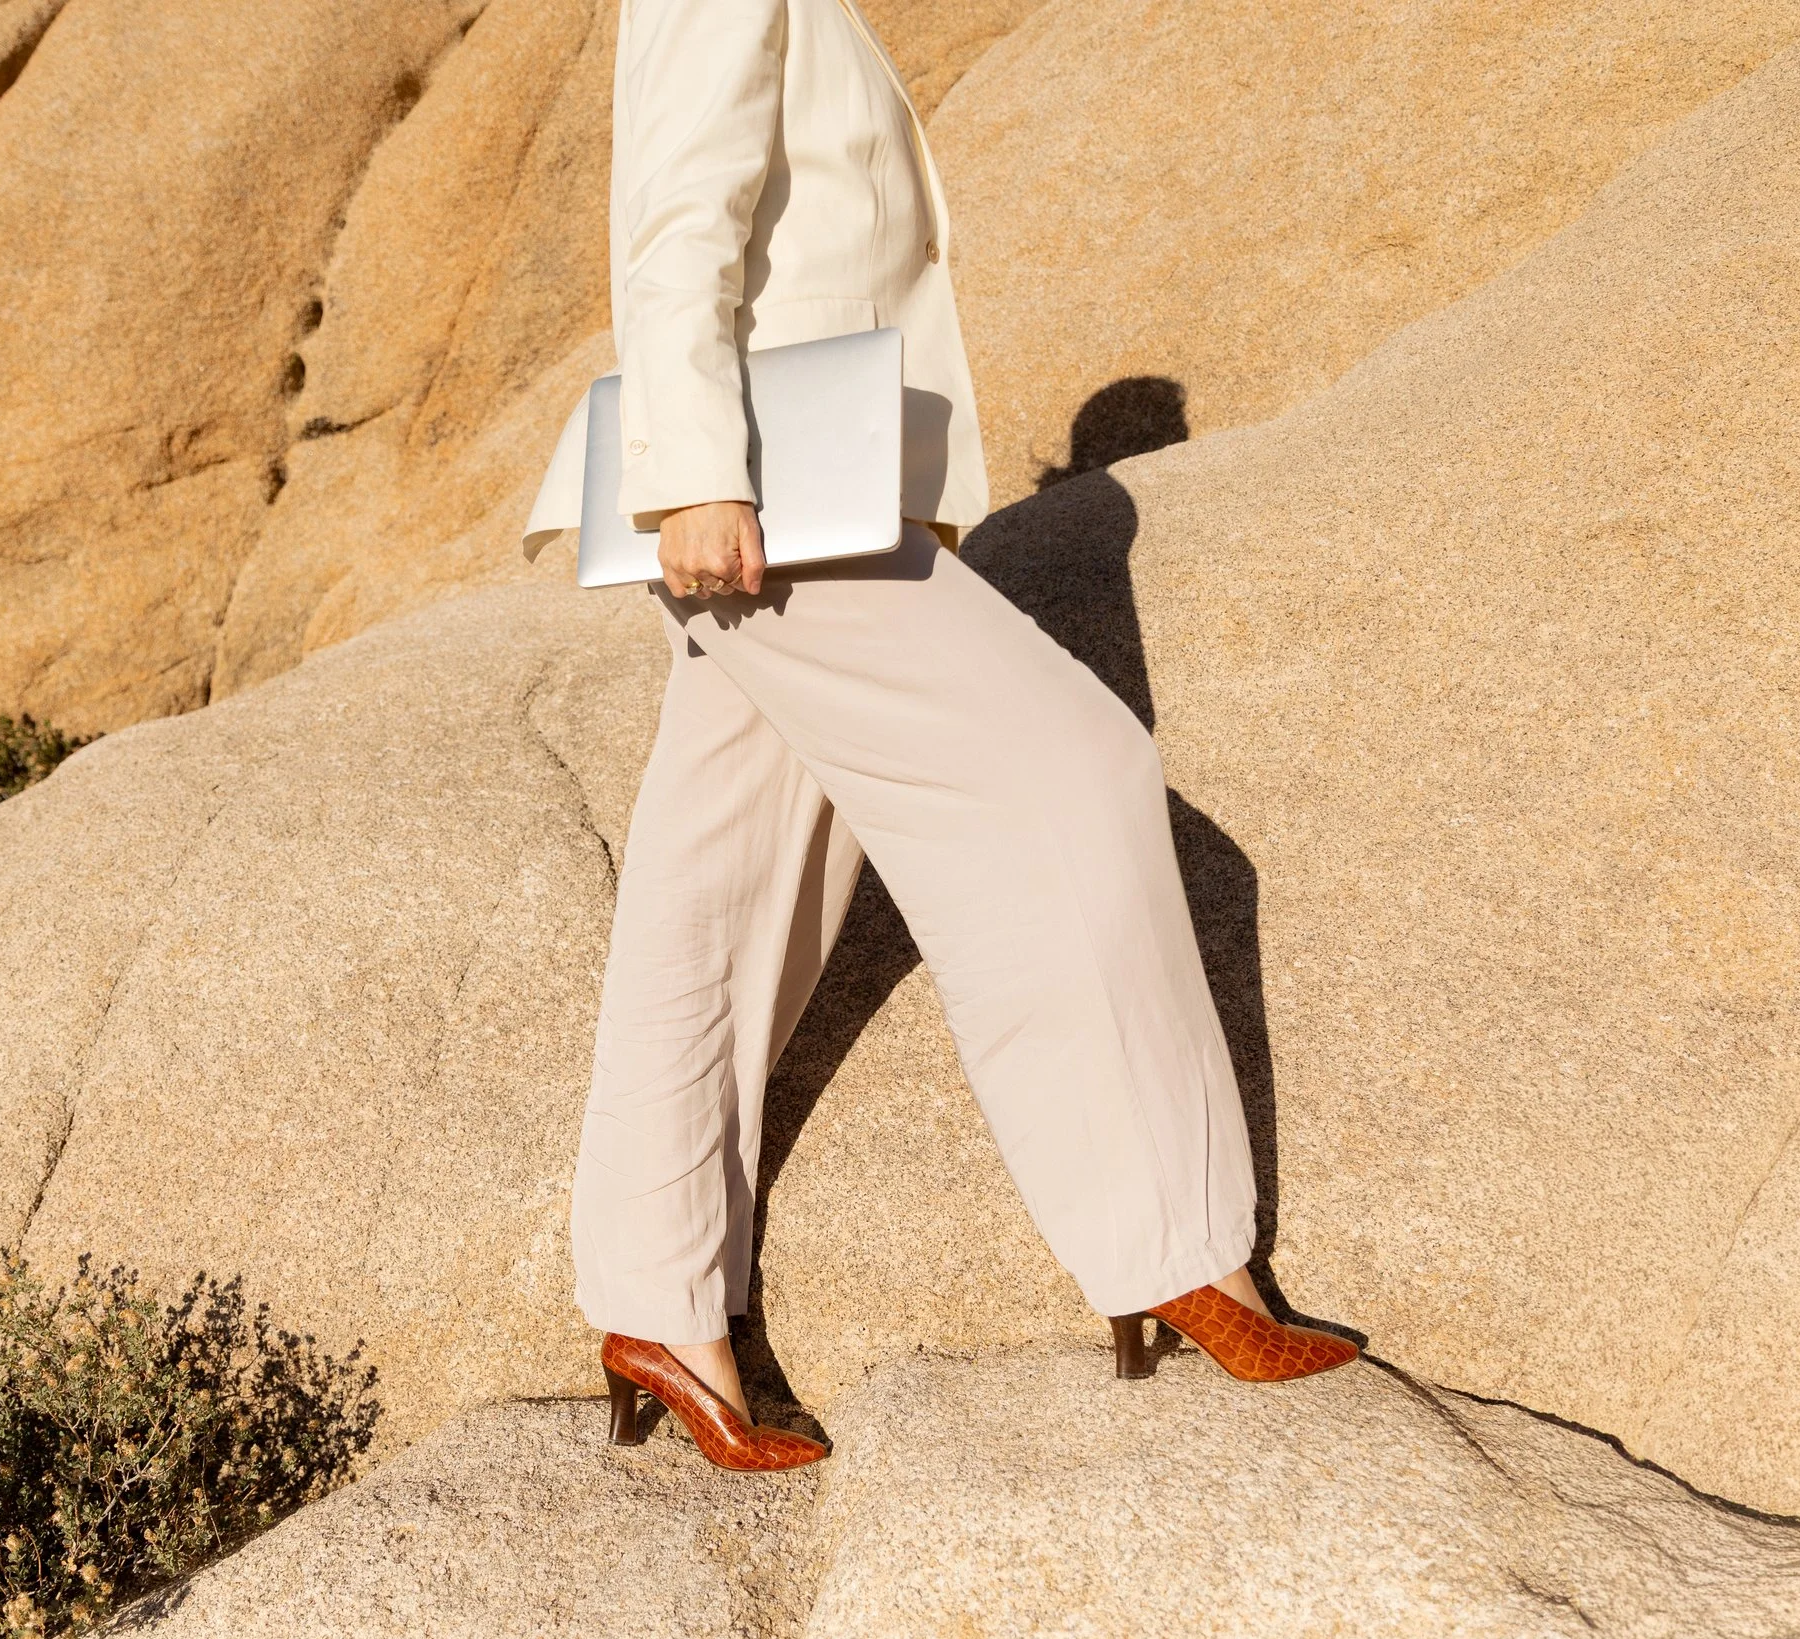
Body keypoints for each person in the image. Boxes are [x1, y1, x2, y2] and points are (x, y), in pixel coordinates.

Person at [521, 0, 1356, 1474]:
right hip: (769, 501)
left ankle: (660, 1306)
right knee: (1076, 772)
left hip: (804, 482)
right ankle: (1174, 1247)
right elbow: (675, 209)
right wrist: (702, 472)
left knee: (713, 894)